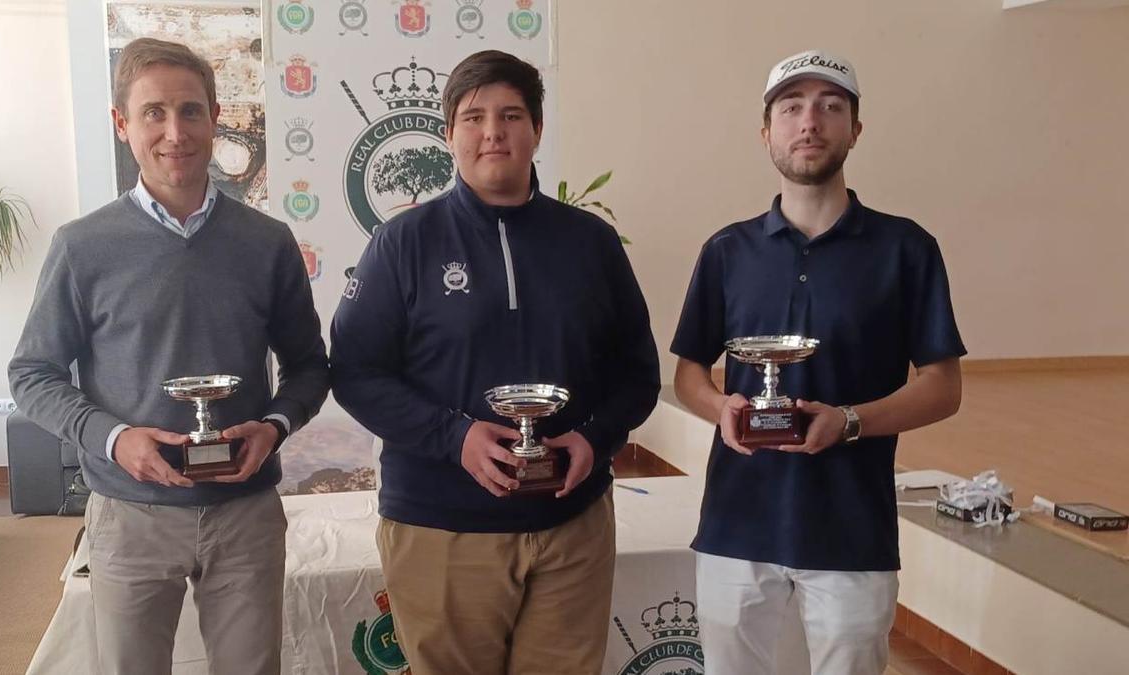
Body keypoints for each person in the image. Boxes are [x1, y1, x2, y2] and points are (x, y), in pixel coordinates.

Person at [329, 49, 660, 674]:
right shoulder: (402, 242)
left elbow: (636, 370)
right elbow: (354, 371)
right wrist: (456, 438)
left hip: (573, 525)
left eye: (511, 115)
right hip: (442, 527)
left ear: (536, 128)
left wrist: (595, 438)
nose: (493, 132)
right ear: (449, 132)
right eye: (474, 116)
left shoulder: (590, 242)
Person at [8, 37, 331, 675]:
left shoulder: (267, 243)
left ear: (215, 118)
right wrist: (114, 437)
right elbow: (32, 374)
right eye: (154, 112)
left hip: (245, 514)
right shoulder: (82, 247)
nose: (174, 132)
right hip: (130, 513)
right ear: (122, 124)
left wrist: (273, 427)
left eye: (190, 111)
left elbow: (309, 366)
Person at [671, 49, 966, 675]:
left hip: (851, 529)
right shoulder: (727, 251)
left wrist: (850, 421)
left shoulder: (906, 249)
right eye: (791, 108)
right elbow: (689, 374)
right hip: (735, 525)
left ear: (855, 130)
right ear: (766, 132)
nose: (810, 122)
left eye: (831, 107)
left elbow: (943, 387)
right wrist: (721, 406)